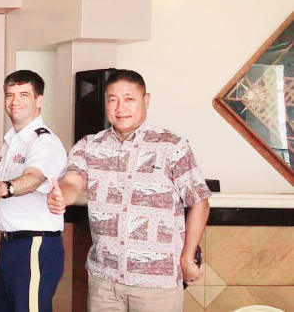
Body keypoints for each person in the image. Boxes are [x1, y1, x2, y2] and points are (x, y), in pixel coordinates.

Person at [47, 69, 210, 312]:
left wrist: (187, 257)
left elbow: (199, 202)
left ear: (146, 100)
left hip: (156, 285)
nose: (120, 107)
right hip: (105, 280)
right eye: (113, 99)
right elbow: (73, 182)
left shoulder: (171, 146)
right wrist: (61, 197)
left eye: (129, 99)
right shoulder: (90, 145)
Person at [0, 70, 67, 312]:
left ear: (39, 100)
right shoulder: (12, 141)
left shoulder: (44, 142)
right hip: (10, 244)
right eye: (10, 95)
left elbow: (34, 178)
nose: (14, 101)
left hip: (34, 244)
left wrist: (3, 188)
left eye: (24, 94)